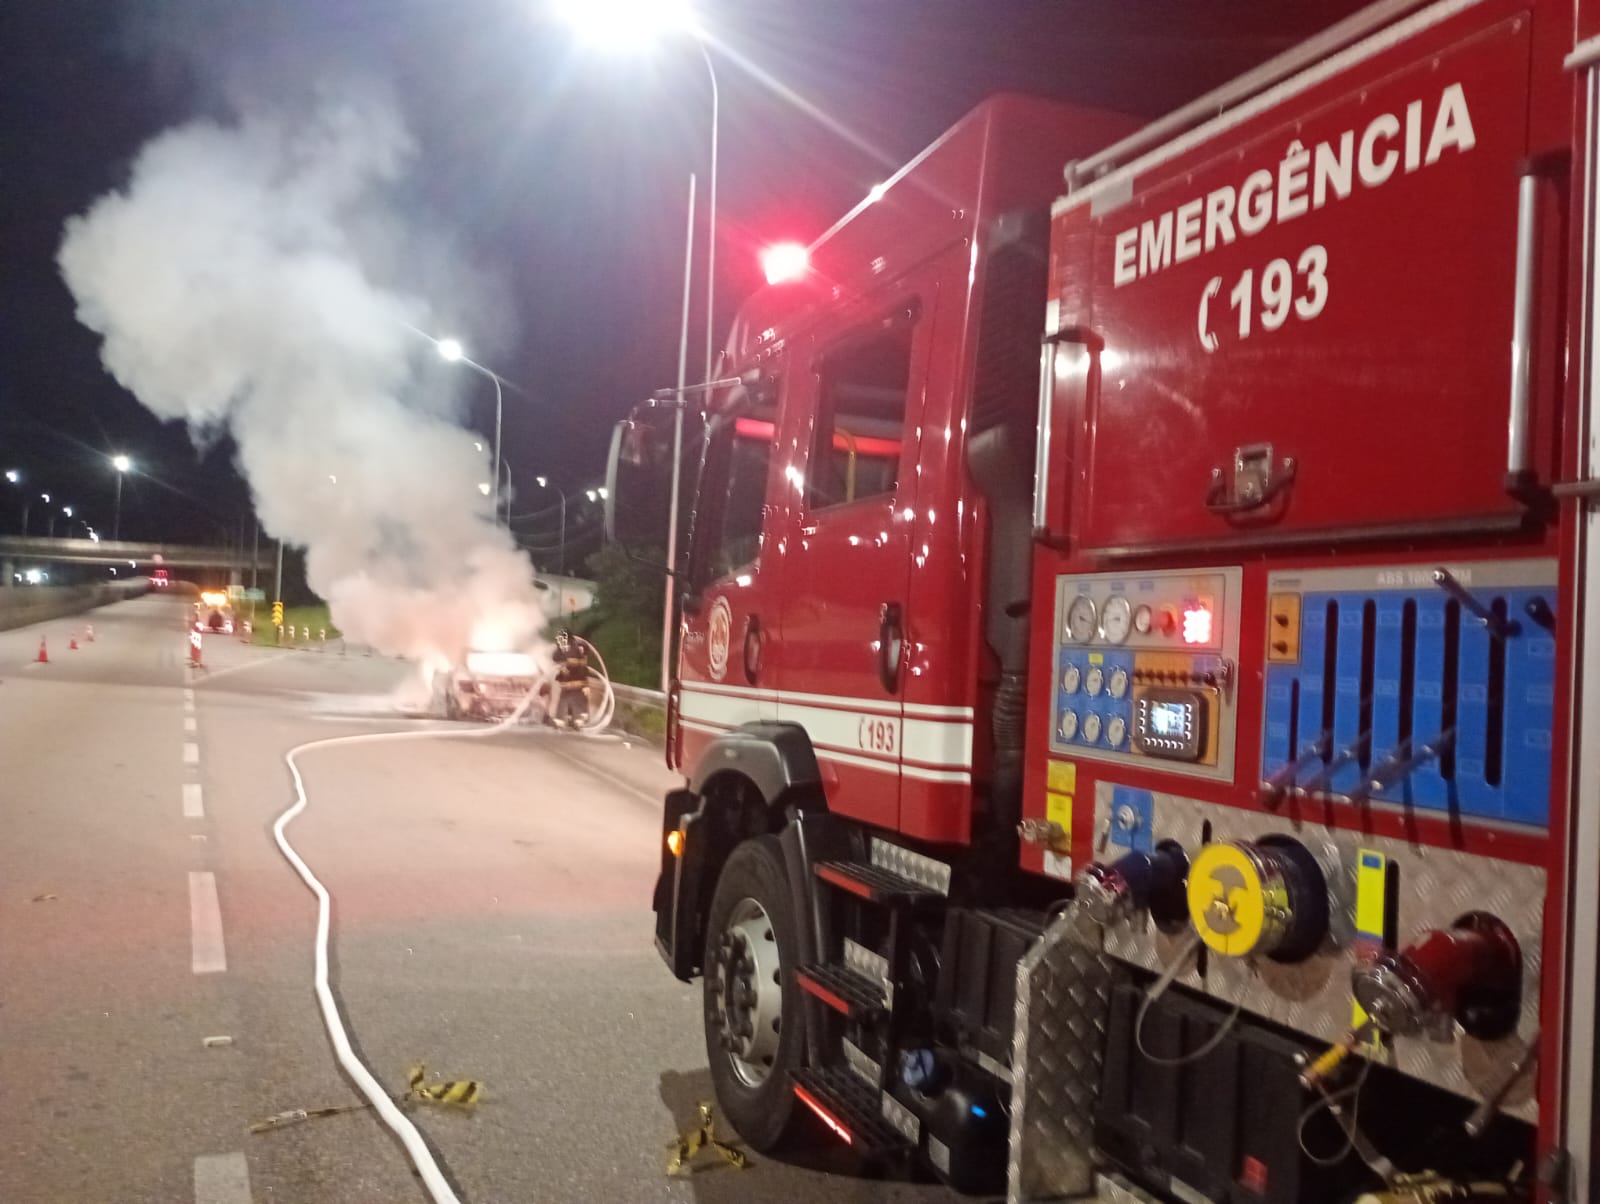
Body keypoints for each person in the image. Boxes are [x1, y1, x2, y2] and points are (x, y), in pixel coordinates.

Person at [553, 630, 590, 730]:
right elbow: (557, 658)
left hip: (574, 681)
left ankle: (571, 720)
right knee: (572, 700)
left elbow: (557, 658)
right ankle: (574, 720)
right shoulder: (574, 647)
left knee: (571, 700)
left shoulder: (572, 648)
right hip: (573, 682)